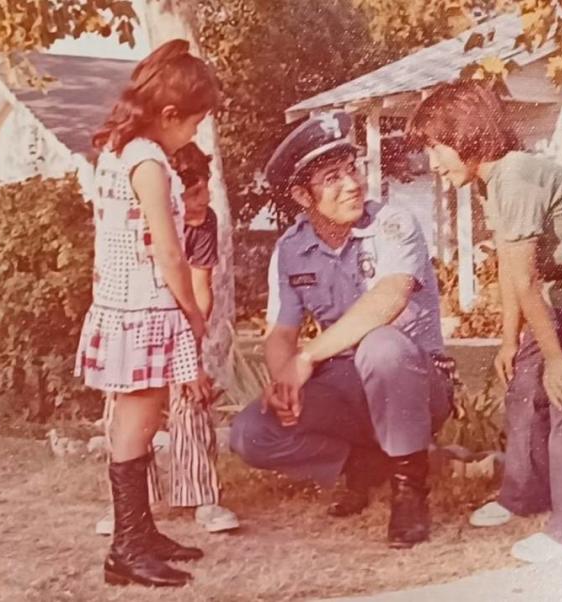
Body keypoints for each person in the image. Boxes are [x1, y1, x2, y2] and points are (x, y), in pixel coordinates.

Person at [406, 81, 562, 562]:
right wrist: (510, 341)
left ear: (468, 135)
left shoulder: (514, 179)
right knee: (523, 383)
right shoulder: (491, 182)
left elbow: (528, 281)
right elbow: (513, 273)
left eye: (436, 147)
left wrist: (558, 358)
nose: (432, 163)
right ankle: (525, 495)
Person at [228, 112, 454, 549]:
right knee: (250, 432)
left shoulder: (392, 224)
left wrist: (306, 359)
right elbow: (280, 333)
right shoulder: (291, 250)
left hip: (417, 382)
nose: (352, 184)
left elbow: (388, 299)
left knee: (382, 344)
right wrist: (283, 381)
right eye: (332, 177)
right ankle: (364, 465)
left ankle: (409, 490)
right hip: (348, 389)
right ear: (301, 195)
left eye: (352, 169)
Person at [74, 39, 219, 588]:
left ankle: (141, 531)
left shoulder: (119, 149)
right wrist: (192, 312)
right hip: (144, 307)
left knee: (144, 417)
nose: (196, 135)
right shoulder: (150, 163)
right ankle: (126, 548)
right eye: (195, 122)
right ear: (168, 114)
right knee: (135, 427)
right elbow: (168, 250)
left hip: (127, 304)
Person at [94, 143, 240, 536]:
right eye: (192, 193)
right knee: (124, 414)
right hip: (136, 323)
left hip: (180, 325)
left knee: (190, 400)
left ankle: (204, 498)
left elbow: (200, 288)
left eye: (205, 188)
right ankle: (128, 505)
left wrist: (190, 354)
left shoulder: (204, 222)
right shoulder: (142, 225)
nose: (203, 199)